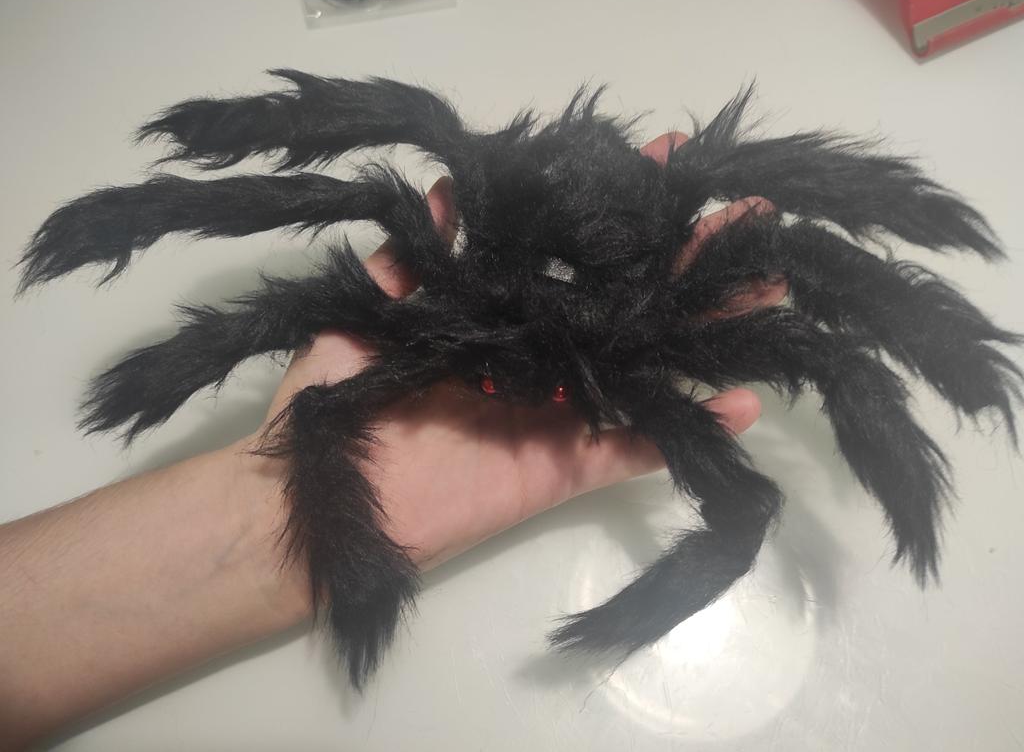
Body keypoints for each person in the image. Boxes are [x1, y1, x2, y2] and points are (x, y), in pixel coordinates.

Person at [0, 132, 781, 749]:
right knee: (337, 333)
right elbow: (379, 185)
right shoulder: (468, 281)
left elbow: (742, 499)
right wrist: (260, 503)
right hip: (497, 306)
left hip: (605, 303)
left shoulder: (654, 314)